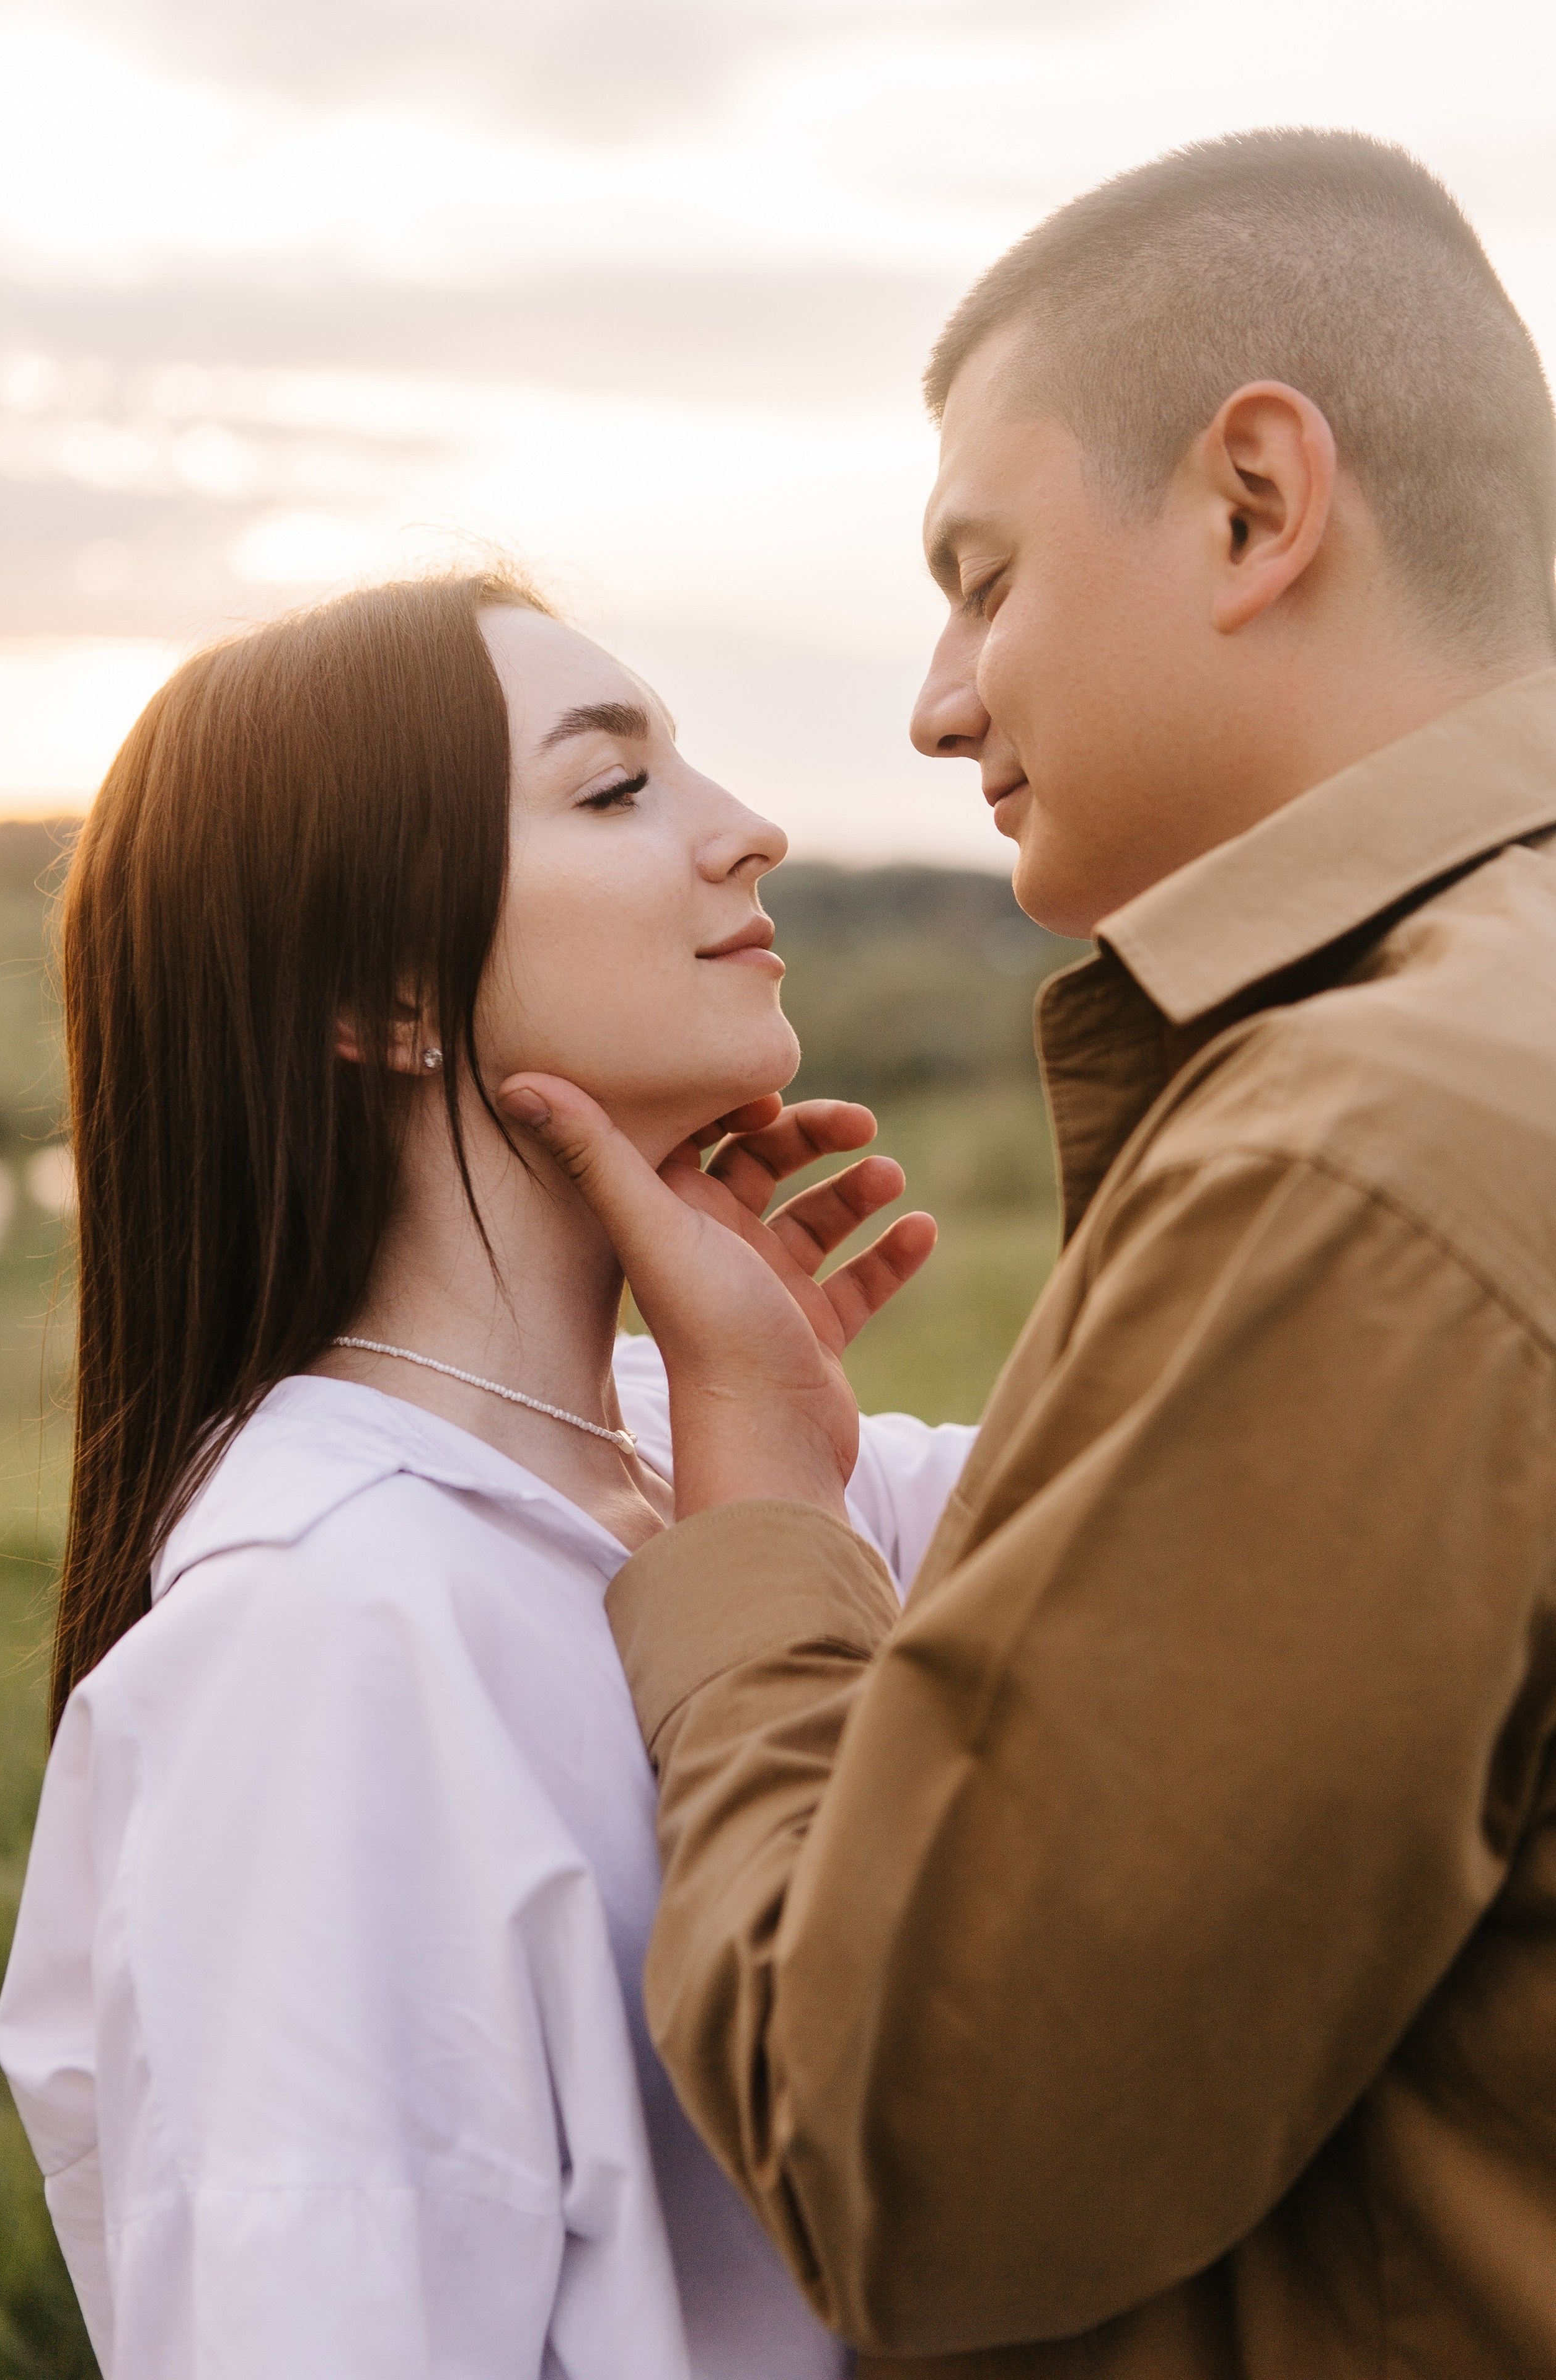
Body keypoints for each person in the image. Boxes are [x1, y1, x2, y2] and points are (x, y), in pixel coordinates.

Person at [493, 131, 1556, 2376]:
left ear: (1256, 504)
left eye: (983, 575)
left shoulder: (1358, 1163)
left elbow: (919, 2163)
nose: (938, 697)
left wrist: (767, 1516)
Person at [0, 568, 966, 2379]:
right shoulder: (321, 1645)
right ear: (384, 991)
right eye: (616, 788)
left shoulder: (755, 1468)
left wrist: (778, 1441)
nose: (749, 831)